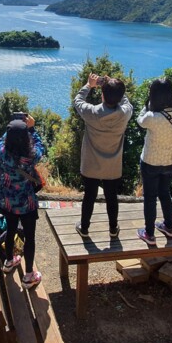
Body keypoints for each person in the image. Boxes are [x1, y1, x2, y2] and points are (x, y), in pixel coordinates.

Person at [73, 73, 133, 238]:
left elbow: (77, 101)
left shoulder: (92, 113)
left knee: (89, 195)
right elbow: (125, 101)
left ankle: (84, 227)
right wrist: (113, 86)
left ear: (102, 95)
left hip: (91, 164)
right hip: (112, 165)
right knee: (111, 196)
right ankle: (113, 228)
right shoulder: (125, 113)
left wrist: (89, 85)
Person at [136, 78, 172, 245]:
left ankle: (149, 234)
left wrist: (147, 104)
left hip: (150, 162)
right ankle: (169, 227)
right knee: (165, 193)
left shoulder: (152, 116)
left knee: (150, 197)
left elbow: (140, 120)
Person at [0, 116, 45, 289]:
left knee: (10, 231)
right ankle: (29, 275)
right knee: (29, 238)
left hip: (7, 200)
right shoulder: (31, 156)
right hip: (26, 204)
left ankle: (9, 261)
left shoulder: (1, 151)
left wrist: (13, 124)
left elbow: (2, 139)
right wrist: (31, 128)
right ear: (25, 139)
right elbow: (40, 146)